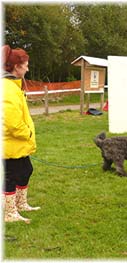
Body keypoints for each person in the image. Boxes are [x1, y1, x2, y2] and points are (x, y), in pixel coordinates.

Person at [2, 45, 40, 223]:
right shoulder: (8, 89)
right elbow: (11, 122)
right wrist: (27, 133)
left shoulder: (14, 86)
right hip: (11, 143)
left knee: (26, 170)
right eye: (26, 65)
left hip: (17, 143)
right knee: (10, 176)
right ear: (17, 67)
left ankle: (20, 203)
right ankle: (9, 213)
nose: (28, 68)